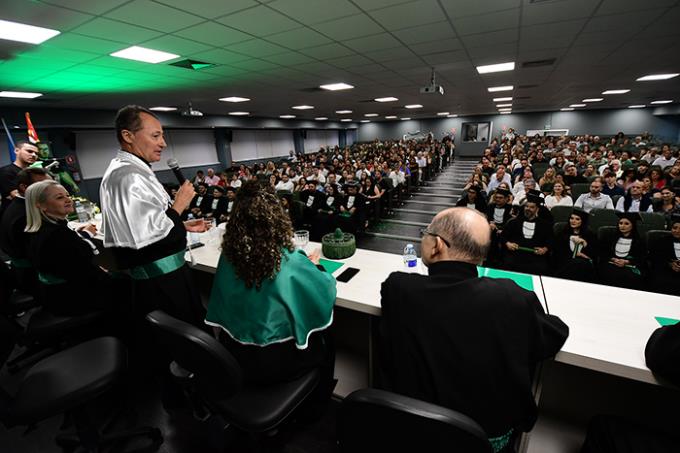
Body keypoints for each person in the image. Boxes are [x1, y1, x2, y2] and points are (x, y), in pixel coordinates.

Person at [379, 207, 568, 450]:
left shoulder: (397, 287)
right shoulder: (510, 298)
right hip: (479, 440)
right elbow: (554, 334)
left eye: (425, 233)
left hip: (409, 430)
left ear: (437, 244)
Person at [205, 181, 336, 410]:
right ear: (276, 215)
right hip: (277, 364)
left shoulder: (228, 255)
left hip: (236, 357)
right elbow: (325, 290)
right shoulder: (287, 259)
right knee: (329, 338)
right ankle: (317, 406)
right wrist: (314, 267)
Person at [100, 105, 209, 326]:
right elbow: (151, 241)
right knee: (185, 337)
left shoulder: (130, 168)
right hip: (161, 281)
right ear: (128, 136)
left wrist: (181, 224)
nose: (163, 143)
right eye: (155, 135)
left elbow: (142, 225)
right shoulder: (128, 176)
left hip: (159, 277)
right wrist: (178, 206)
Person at [24, 180, 110, 315]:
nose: (68, 200)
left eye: (67, 195)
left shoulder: (43, 229)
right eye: (60, 197)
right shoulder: (57, 234)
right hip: (71, 299)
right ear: (41, 206)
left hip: (56, 295)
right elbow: (84, 274)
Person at [0, 167, 50, 294]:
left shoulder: (17, 206)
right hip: (36, 279)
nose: (50, 190)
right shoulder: (25, 214)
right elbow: (44, 252)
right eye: (43, 186)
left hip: (24, 272)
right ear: (24, 187)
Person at [501, 194, 553, 275]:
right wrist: (508, 244)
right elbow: (503, 236)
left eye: (532, 207)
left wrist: (544, 249)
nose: (528, 209)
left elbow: (550, 241)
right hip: (515, 254)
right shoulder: (514, 222)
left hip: (535, 257)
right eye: (526, 206)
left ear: (537, 209)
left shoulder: (545, 225)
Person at [597, 211, 645, 290]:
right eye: (620, 223)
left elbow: (641, 258)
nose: (622, 226)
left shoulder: (638, 241)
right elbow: (603, 253)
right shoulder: (610, 238)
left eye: (626, 224)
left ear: (632, 225)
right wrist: (613, 259)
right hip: (612, 264)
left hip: (628, 267)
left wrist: (627, 262)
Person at [551, 208, 597, 282]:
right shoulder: (563, 233)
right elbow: (557, 252)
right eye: (571, 218)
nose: (573, 221)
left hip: (583, 266)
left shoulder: (590, 235)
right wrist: (570, 239)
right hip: (565, 263)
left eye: (577, 219)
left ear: (582, 221)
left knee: (581, 264)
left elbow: (593, 255)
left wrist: (584, 244)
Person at [0, 141, 39, 220]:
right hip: (16, 217)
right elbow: (16, 196)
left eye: (36, 153)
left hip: (33, 213)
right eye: (29, 151)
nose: (34, 155)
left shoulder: (33, 173)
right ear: (16, 151)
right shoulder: (6, 171)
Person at [648, 213, 680, 296]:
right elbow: (653, 257)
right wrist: (669, 264)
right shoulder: (662, 241)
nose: (677, 231)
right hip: (665, 271)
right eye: (674, 228)